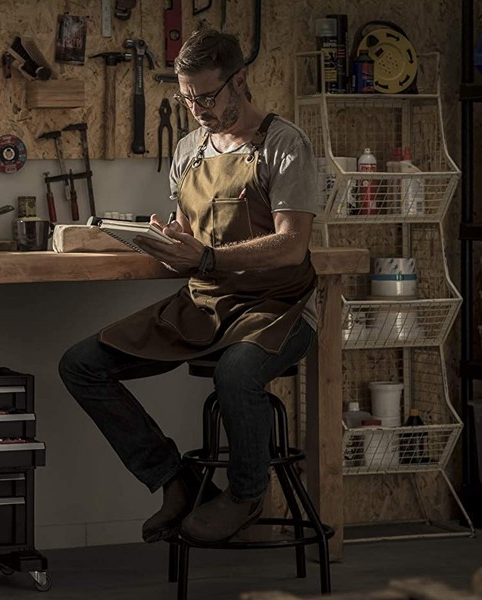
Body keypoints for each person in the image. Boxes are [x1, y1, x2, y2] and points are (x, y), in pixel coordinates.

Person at [58, 28, 319, 545]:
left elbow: (291, 245)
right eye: (186, 97)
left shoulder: (284, 144)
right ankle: (176, 480)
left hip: (278, 307)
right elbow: (192, 232)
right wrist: (169, 239)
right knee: (81, 365)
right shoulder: (188, 150)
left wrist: (206, 255)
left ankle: (246, 495)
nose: (195, 107)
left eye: (205, 96)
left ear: (239, 80)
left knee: (237, 371)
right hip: (203, 303)